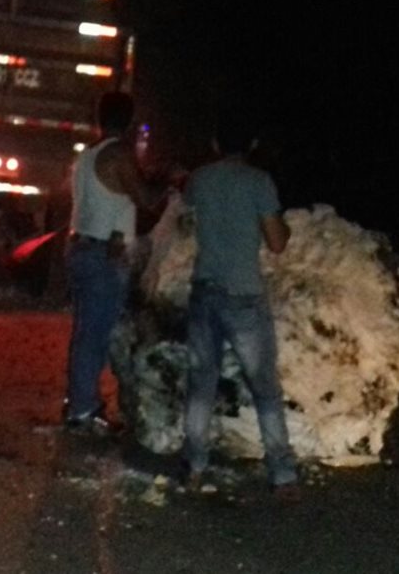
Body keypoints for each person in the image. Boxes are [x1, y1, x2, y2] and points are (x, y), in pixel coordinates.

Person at [179, 123, 299, 499]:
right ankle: (282, 475)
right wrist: (286, 227)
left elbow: (186, 224)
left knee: (201, 383)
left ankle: (194, 465)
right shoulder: (259, 182)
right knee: (264, 387)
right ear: (254, 142)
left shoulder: (198, 179)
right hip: (243, 295)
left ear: (215, 143)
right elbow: (277, 243)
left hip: (203, 291)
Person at [62, 92, 164, 434]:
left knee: (84, 332)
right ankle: (83, 410)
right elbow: (146, 199)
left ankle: (79, 401)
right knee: (95, 336)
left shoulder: (87, 156)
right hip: (104, 254)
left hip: (81, 247)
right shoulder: (119, 153)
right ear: (131, 120)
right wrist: (167, 180)